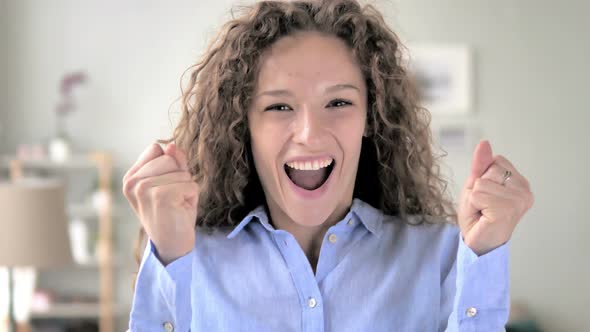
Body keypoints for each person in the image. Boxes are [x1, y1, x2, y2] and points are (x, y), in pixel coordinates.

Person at [122, 0, 534, 331]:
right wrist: (171, 255)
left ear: (371, 116)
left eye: (338, 102)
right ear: (242, 125)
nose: (310, 133)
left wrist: (486, 250)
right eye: (279, 106)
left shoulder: (445, 255)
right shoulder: (189, 260)